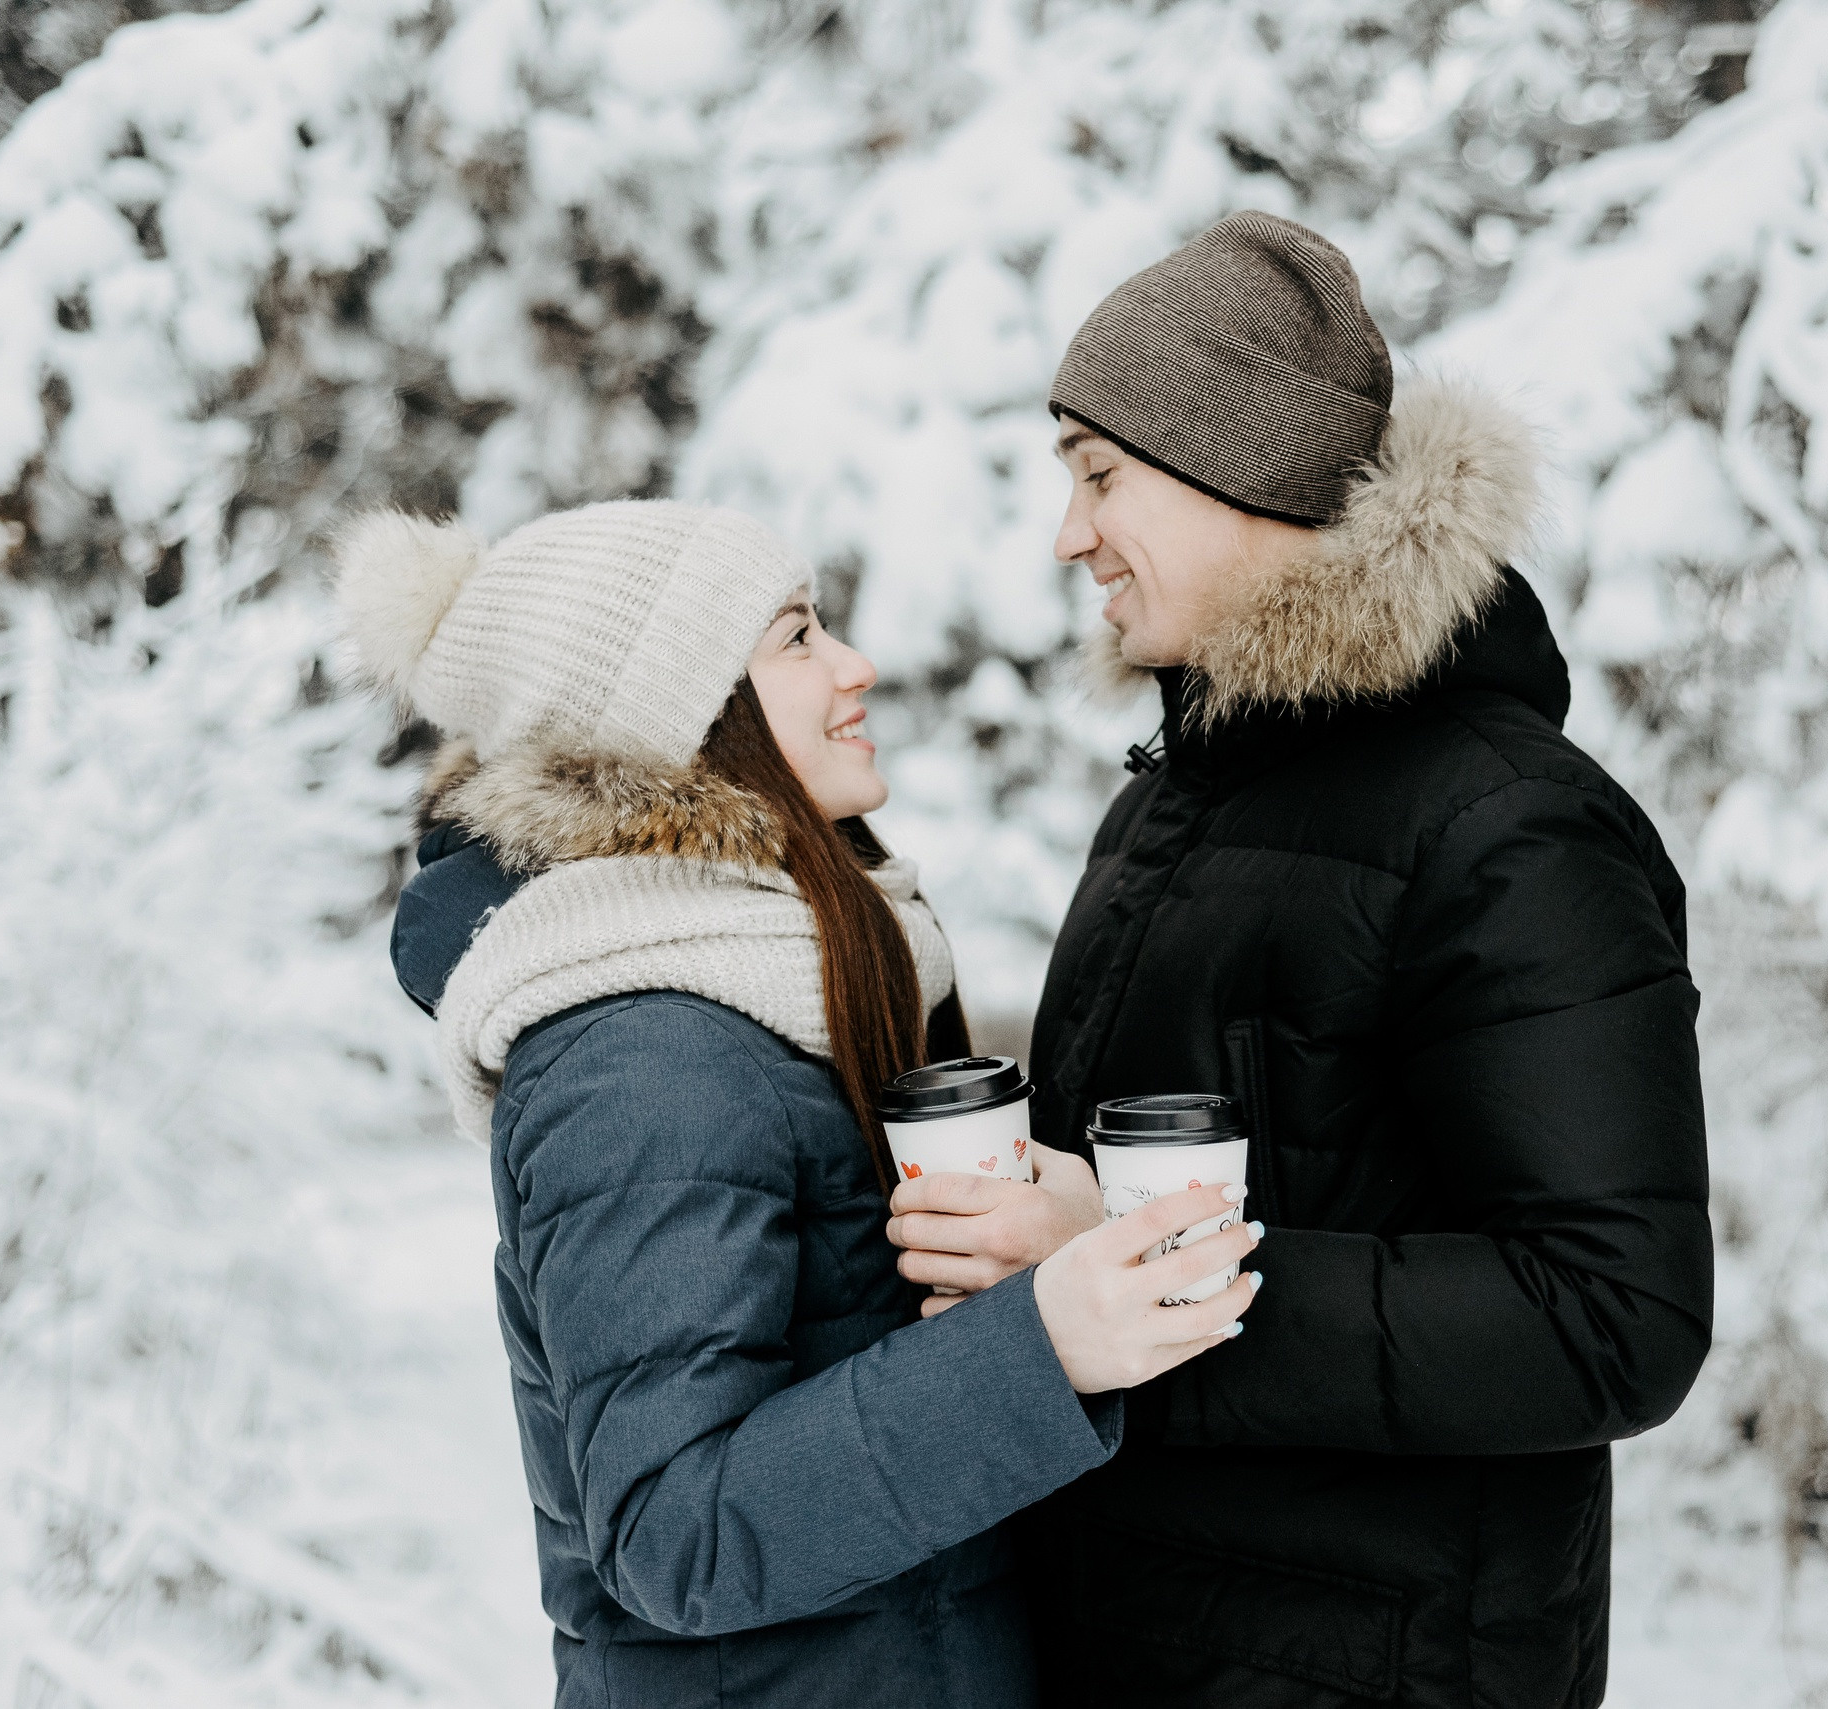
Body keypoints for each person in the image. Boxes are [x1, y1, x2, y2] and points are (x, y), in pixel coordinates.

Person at [884, 212, 1714, 1708]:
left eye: (1099, 475)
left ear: (1240, 470)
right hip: (1145, 1637)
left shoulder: (1509, 825)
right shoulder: (1170, 805)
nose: (1069, 534)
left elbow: (1613, 1318)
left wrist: (1128, 1260)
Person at [332, 500, 1263, 1709]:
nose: (853, 664)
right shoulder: (640, 1054)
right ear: (676, 710)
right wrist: (1041, 1344)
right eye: (797, 636)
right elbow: (676, 1528)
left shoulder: (777, 982)